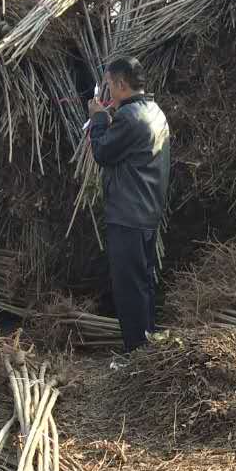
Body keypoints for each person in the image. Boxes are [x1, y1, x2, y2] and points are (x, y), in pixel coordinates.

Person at [87, 56, 170, 362]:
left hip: (128, 215)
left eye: (108, 84)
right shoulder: (154, 111)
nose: (107, 91)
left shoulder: (129, 116)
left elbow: (103, 152)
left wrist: (97, 118)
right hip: (147, 213)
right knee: (143, 283)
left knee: (128, 288)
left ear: (120, 84)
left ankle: (135, 356)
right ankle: (147, 348)